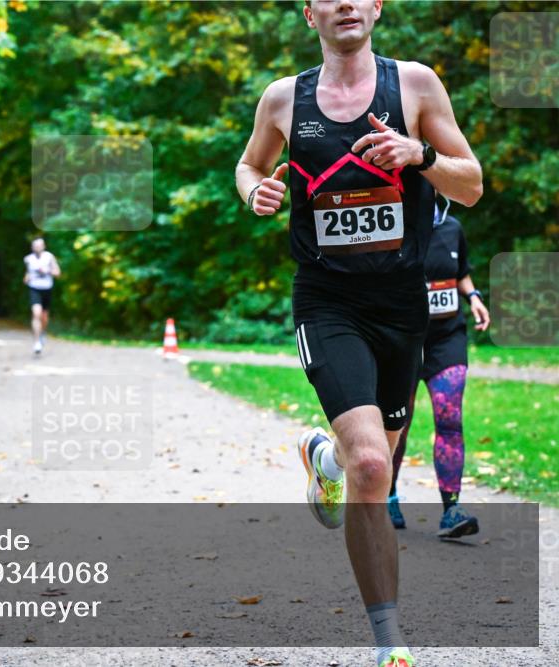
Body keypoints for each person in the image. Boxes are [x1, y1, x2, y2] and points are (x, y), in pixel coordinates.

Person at [234, 1, 482, 665]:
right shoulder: (285, 98)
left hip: (403, 309)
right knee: (372, 464)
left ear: (375, 6)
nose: (346, 2)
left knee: (378, 460)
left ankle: (324, 457)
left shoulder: (418, 85)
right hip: (328, 302)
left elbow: (474, 182)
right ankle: (390, 643)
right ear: (308, 12)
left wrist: (420, 153)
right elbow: (249, 164)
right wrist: (254, 190)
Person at [387, 194, 490, 537]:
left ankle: (452, 509)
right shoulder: (391, 225)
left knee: (450, 417)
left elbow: (461, 272)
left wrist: (473, 297)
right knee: (397, 424)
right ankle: (386, 497)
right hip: (402, 339)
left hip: (447, 338)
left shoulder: (452, 227)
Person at [23, 237, 60, 355]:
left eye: (39, 246)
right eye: (35, 246)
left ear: (43, 246)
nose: (37, 248)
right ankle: (37, 341)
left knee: (44, 317)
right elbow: (27, 274)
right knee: (36, 313)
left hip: (47, 289)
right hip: (34, 289)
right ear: (32, 247)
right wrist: (26, 278)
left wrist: (47, 271)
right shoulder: (28, 259)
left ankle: (42, 332)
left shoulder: (49, 257)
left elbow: (58, 273)